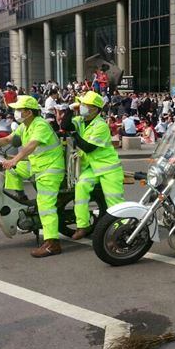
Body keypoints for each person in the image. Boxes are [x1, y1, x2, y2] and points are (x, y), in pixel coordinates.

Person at [0, 95, 65, 257]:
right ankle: (19, 202)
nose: (16, 112)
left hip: (50, 169)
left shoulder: (40, 125)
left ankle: (53, 243)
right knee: (10, 170)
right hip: (34, 165)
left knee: (45, 205)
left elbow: (32, 145)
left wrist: (15, 159)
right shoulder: (24, 126)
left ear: (29, 112)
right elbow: (10, 139)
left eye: (19, 110)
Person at [67, 91, 125, 240]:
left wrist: (74, 133)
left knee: (114, 201)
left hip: (108, 168)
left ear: (95, 109)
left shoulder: (100, 125)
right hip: (91, 168)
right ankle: (83, 225)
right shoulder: (80, 120)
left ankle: (121, 230)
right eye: (82, 103)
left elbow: (88, 147)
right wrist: (69, 109)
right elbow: (65, 125)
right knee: (81, 187)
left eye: (86, 105)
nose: (82, 106)